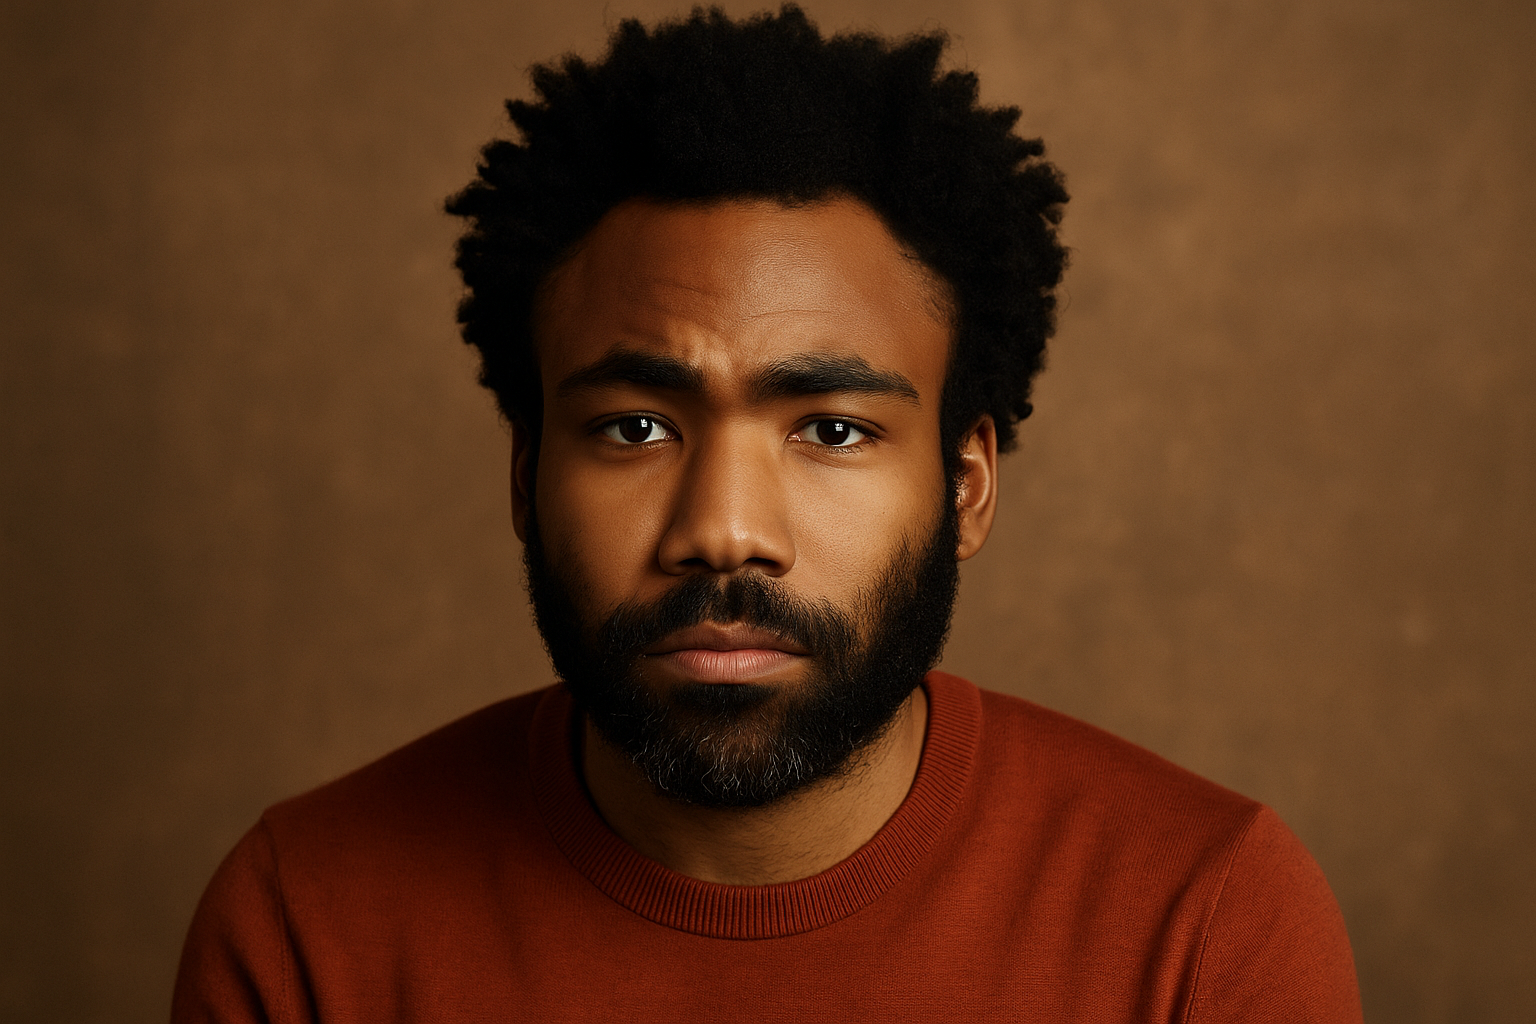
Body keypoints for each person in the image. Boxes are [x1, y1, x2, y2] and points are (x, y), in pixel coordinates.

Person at [172, 6, 1362, 1021]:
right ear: (524, 475)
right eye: (635, 427)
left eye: (831, 430)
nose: (725, 531)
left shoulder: (1204, 922)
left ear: (966, 482)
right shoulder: (304, 926)